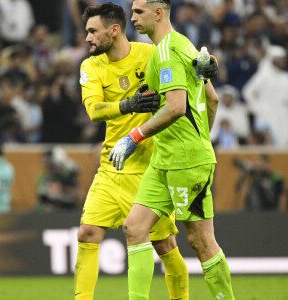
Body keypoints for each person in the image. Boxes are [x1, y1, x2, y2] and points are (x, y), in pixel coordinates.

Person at [110, 0, 235, 299]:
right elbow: (212, 99)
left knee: (201, 241)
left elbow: (177, 107)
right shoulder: (185, 45)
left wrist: (134, 136)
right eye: (132, 11)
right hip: (164, 159)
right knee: (134, 227)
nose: (132, 18)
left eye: (139, 12)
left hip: (184, 161)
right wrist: (202, 136)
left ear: (158, 12)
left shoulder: (166, 50)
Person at [74, 3, 188, 299]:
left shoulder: (150, 53)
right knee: (87, 233)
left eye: (92, 31)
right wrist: (128, 105)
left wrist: (207, 64)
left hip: (150, 168)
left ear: (114, 30)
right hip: (112, 167)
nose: (87, 38)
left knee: (165, 246)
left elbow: (187, 62)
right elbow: (94, 110)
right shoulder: (92, 66)